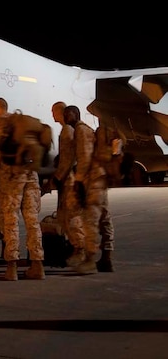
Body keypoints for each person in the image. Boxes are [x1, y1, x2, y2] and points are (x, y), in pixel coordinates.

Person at [0, 97, 45, 281]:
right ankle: (38, 265)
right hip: (31, 175)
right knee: (33, 221)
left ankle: (12, 267)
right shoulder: (24, 122)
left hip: (10, 177)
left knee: (10, 221)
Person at [64, 105, 115, 274]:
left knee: (90, 220)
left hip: (91, 180)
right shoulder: (88, 129)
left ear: (73, 115)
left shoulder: (80, 130)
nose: (65, 118)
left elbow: (85, 157)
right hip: (101, 177)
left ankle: (90, 260)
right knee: (104, 217)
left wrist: (78, 182)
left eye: (66, 114)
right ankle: (107, 257)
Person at [50, 102, 85, 267]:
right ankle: (74, 248)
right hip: (71, 178)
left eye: (54, 112)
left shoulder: (66, 131)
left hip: (69, 180)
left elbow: (68, 159)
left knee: (72, 216)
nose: (53, 116)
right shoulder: (71, 130)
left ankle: (80, 250)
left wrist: (57, 177)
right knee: (67, 216)